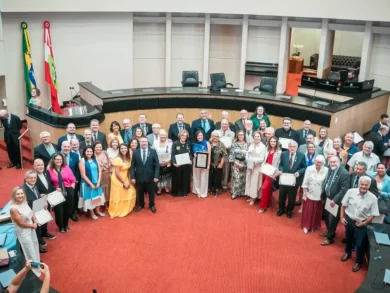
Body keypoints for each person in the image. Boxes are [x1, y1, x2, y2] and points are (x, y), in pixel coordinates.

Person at [340, 176, 380, 272]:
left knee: (360, 244)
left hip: (362, 223)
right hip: (349, 220)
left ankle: (358, 262)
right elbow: (343, 205)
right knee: (348, 239)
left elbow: (373, 214)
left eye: (366, 185)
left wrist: (365, 223)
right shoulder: (350, 192)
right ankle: (347, 253)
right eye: (362, 184)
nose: (364, 186)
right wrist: (341, 217)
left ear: (369, 186)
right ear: (359, 184)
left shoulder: (373, 198)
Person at [9, 187, 40, 277]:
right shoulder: (13, 209)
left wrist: (35, 221)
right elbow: (20, 223)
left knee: (35, 245)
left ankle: (37, 264)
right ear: (14, 196)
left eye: (21, 193)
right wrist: (33, 225)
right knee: (29, 250)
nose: (20, 195)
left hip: (31, 228)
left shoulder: (24, 202)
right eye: (18, 194)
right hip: (23, 231)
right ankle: (35, 272)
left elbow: (31, 213)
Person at [320, 156, 350, 246]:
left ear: (339, 162)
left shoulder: (344, 173)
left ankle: (330, 238)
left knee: (332, 219)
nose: (332, 164)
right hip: (327, 197)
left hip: (336, 200)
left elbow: (344, 189)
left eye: (334, 162)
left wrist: (335, 200)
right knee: (326, 216)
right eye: (331, 162)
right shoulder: (330, 169)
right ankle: (330, 231)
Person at [275, 140, 306, 218]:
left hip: (294, 180)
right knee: (281, 195)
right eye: (290, 146)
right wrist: (281, 170)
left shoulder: (301, 155)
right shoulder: (284, 154)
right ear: (288, 147)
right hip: (284, 178)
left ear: (297, 147)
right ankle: (281, 209)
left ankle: (289, 210)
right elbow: (281, 164)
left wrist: (299, 172)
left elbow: (304, 167)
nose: (292, 148)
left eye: (294, 146)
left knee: (292, 197)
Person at [47, 153, 76, 233]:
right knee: (59, 210)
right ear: (53, 160)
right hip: (56, 192)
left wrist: (72, 188)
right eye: (57, 159)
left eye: (60, 159)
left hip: (68, 190)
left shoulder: (66, 168)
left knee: (68, 209)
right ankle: (61, 226)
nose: (59, 161)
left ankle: (66, 224)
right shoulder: (49, 170)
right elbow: (49, 183)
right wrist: (55, 188)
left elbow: (73, 179)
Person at [22, 170, 49, 253]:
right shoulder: (23, 190)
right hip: (29, 216)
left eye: (34, 178)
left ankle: (38, 247)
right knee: (33, 234)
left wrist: (40, 197)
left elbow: (35, 198)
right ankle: (35, 250)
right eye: (31, 178)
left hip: (37, 212)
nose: (33, 179)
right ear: (26, 179)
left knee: (37, 231)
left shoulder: (34, 186)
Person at [131, 137, 159, 213]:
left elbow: (157, 165)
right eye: (142, 142)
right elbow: (133, 166)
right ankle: (141, 204)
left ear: (147, 143)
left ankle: (152, 205)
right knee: (140, 192)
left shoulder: (153, 151)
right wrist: (132, 177)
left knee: (151, 192)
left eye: (145, 142)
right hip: (139, 176)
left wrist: (156, 176)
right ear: (140, 143)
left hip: (151, 177)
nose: (143, 143)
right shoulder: (135, 152)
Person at [301, 155, 328, 234]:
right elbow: (305, 181)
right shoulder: (309, 169)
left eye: (319, 162)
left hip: (320, 194)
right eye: (316, 161)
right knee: (308, 211)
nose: (317, 163)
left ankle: (313, 226)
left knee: (316, 211)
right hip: (310, 193)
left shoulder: (326, 170)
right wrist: (304, 193)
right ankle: (306, 226)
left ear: (323, 163)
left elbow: (326, 183)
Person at [108, 144, 136, 218]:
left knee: (131, 191)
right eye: (122, 148)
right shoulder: (117, 159)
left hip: (125, 177)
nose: (123, 150)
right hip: (117, 179)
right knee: (119, 194)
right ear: (119, 150)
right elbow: (117, 173)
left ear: (127, 149)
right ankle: (119, 210)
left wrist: (129, 179)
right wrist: (123, 182)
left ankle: (127, 208)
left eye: (125, 148)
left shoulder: (128, 158)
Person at [78, 146, 105, 220]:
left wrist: (99, 181)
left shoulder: (95, 159)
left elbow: (100, 171)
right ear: (84, 152)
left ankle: (97, 211)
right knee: (90, 198)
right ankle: (92, 213)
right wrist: (91, 184)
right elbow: (83, 175)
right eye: (87, 151)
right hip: (87, 183)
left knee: (98, 197)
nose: (89, 153)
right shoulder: (82, 161)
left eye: (91, 151)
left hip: (97, 182)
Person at [33, 159, 56, 240]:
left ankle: (44, 232)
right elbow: (31, 190)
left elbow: (50, 185)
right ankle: (39, 237)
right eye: (38, 165)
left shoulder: (46, 172)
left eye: (42, 164)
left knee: (46, 217)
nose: (40, 167)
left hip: (48, 199)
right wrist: (39, 195)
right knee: (40, 220)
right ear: (34, 166)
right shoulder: (32, 176)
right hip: (39, 202)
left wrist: (56, 189)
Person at [259, 136, 282, 212]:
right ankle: (268, 202)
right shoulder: (266, 149)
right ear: (269, 142)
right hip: (264, 170)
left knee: (264, 188)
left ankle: (263, 207)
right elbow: (263, 160)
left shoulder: (279, 152)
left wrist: (276, 173)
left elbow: (278, 163)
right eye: (271, 141)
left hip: (271, 172)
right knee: (267, 188)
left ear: (276, 143)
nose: (273, 143)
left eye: (274, 142)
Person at [61, 141, 80, 222]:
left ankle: (72, 214)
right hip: (61, 182)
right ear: (61, 147)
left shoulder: (75, 156)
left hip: (72, 182)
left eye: (68, 147)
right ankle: (63, 214)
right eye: (65, 147)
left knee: (72, 197)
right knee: (62, 198)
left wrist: (76, 180)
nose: (66, 148)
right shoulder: (57, 155)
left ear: (70, 147)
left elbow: (77, 169)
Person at [245, 131, 266, 205]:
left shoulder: (263, 147)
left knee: (255, 182)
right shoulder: (251, 144)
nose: (256, 138)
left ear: (260, 138)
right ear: (253, 137)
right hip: (249, 165)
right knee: (249, 180)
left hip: (257, 167)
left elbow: (262, 158)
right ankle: (250, 196)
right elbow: (247, 153)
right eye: (255, 136)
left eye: (258, 136)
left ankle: (254, 198)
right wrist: (247, 158)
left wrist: (253, 160)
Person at [171, 130, 192, 197]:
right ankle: (177, 192)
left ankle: (185, 191)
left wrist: (191, 159)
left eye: (185, 136)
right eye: (183, 135)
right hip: (178, 165)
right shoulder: (175, 143)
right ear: (180, 136)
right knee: (177, 178)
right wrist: (174, 163)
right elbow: (173, 154)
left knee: (185, 178)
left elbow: (191, 153)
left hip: (186, 165)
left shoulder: (188, 143)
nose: (184, 137)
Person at [229, 130, 248, 200]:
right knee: (236, 178)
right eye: (239, 135)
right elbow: (231, 155)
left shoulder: (247, 144)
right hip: (235, 163)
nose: (241, 136)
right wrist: (236, 163)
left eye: (242, 135)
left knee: (243, 179)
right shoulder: (234, 144)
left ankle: (242, 192)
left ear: (244, 136)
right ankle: (235, 193)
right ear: (237, 136)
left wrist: (244, 164)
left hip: (244, 164)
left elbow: (249, 155)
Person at [153, 129, 172, 194]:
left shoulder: (170, 142)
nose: (162, 136)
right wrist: (156, 162)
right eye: (161, 135)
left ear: (166, 135)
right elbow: (153, 152)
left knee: (166, 175)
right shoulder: (155, 142)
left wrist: (168, 161)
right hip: (158, 162)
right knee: (160, 176)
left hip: (167, 162)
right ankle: (159, 188)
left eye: (164, 135)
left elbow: (172, 153)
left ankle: (166, 187)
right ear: (159, 135)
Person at [217, 119, 235, 191]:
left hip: (227, 153)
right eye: (223, 124)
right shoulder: (217, 132)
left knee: (226, 169)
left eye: (226, 124)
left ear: (228, 125)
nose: (224, 125)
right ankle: (218, 184)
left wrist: (230, 146)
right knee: (218, 168)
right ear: (220, 124)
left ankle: (224, 184)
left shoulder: (232, 133)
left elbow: (233, 142)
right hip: (218, 153)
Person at [192, 131, 210, 198]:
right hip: (196, 161)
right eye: (198, 136)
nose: (200, 137)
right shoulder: (193, 143)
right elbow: (192, 152)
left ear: (203, 136)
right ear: (196, 137)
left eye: (201, 135)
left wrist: (208, 164)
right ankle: (197, 191)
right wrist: (194, 154)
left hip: (204, 161)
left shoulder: (207, 143)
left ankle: (203, 192)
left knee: (204, 177)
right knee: (196, 177)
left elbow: (209, 154)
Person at [209, 131, 227, 197]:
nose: (215, 137)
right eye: (214, 136)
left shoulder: (221, 144)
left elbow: (224, 155)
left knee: (217, 178)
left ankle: (217, 190)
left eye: (217, 136)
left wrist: (221, 164)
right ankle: (211, 188)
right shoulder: (209, 143)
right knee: (211, 177)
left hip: (218, 164)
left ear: (219, 137)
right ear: (212, 136)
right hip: (210, 164)